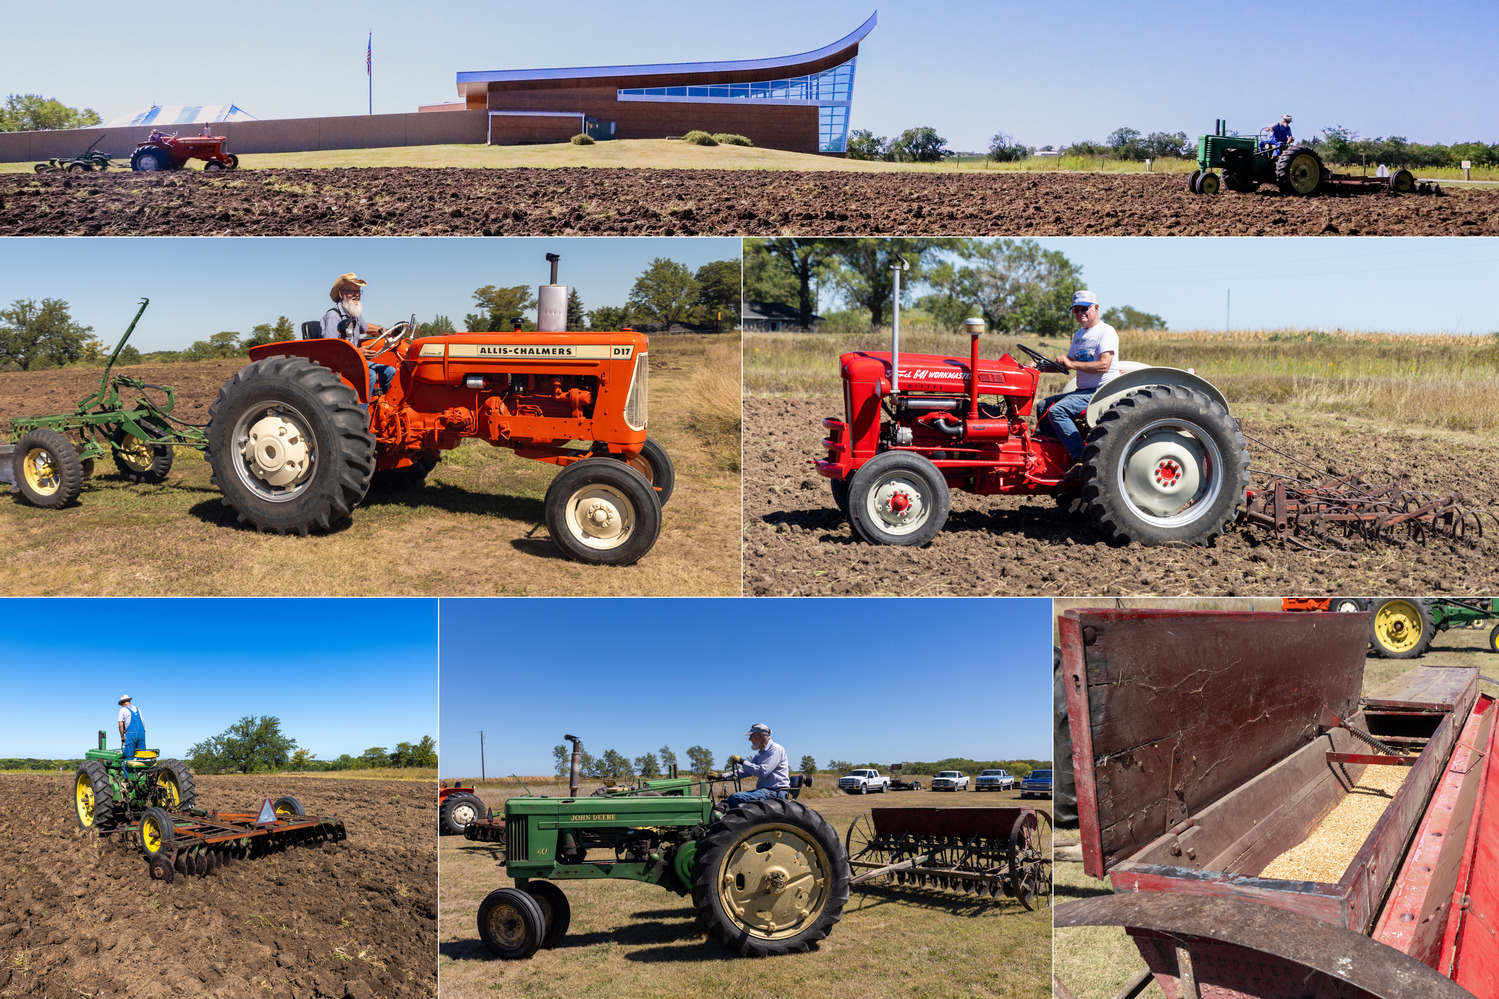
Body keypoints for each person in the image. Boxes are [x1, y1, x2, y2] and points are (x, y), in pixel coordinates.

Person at [1031, 290, 1120, 477]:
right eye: (1076, 310)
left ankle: (1081, 459)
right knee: (1043, 406)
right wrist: (1039, 367)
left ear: (1095, 308)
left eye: (1084, 309)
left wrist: (1070, 363)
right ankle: (1055, 456)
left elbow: (1104, 365)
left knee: (1058, 411)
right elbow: (1067, 364)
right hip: (1083, 390)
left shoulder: (1106, 332)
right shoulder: (1079, 334)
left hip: (1101, 390)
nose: (1080, 314)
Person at [322, 272, 396, 398]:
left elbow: (365, 328)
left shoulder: (354, 312)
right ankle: (362, 412)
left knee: (390, 371)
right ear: (341, 294)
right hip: (341, 364)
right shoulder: (333, 317)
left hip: (355, 360)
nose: (356, 294)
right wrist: (359, 352)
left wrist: (386, 332)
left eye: (358, 291)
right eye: (351, 291)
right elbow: (331, 351)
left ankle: (384, 406)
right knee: (370, 375)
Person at [720, 722, 790, 811]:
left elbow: (763, 772)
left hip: (776, 792)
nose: (749, 739)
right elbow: (746, 771)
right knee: (730, 799)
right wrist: (722, 776)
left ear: (760, 736)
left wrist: (742, 761)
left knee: (736, 798)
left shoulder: (775, 750)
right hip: (767, 791)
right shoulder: (760, 753)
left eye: (751, 736)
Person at [118, 694, 146, 761]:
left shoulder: (123, 710)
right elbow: (143, 723)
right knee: (141, 756)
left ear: (123, 703)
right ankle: (141, 771)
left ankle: (128, 771)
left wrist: (122, 737)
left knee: (129, 756)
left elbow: (120, 724)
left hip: (131, 734)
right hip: (142, 733)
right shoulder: (138, 709)